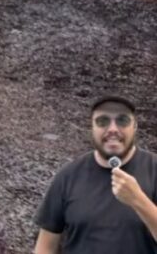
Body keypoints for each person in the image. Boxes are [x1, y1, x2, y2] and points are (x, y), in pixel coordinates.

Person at [33, 95, 157, 253]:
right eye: (103, 121)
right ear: (92, 127)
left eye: (122, 120)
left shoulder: (153, 169)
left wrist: (138, 200)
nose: (113, 129)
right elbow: (46, 247)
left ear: (135, 126)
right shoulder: (68, 176)